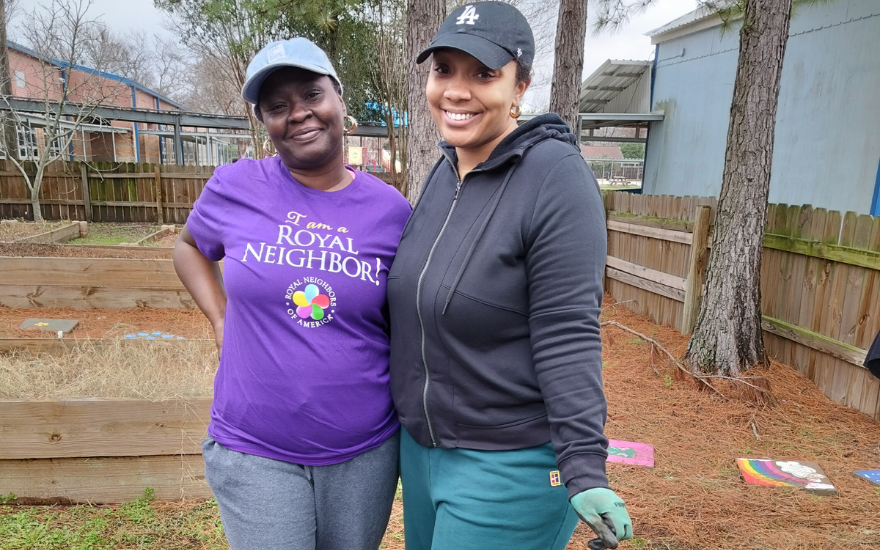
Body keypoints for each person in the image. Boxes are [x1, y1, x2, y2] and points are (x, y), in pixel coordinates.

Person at [386, 3, 633, 549]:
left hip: (509, 465)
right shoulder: (445, 171)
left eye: (483, 73)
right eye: (443, 69)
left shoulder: (556, 179)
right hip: (423, 455)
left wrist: (585, 465)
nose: (455, 90)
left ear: (520, 86)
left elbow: (567, 331)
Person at [173, 37, 411, 550]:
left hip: (363, 451)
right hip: (253, 445)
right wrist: (219, 317)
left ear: (339, 100)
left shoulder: (391, 211)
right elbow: (189, 246)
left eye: (311, 94)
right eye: (277, 106)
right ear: (264, 121)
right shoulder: (235, 187)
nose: (299, 113)